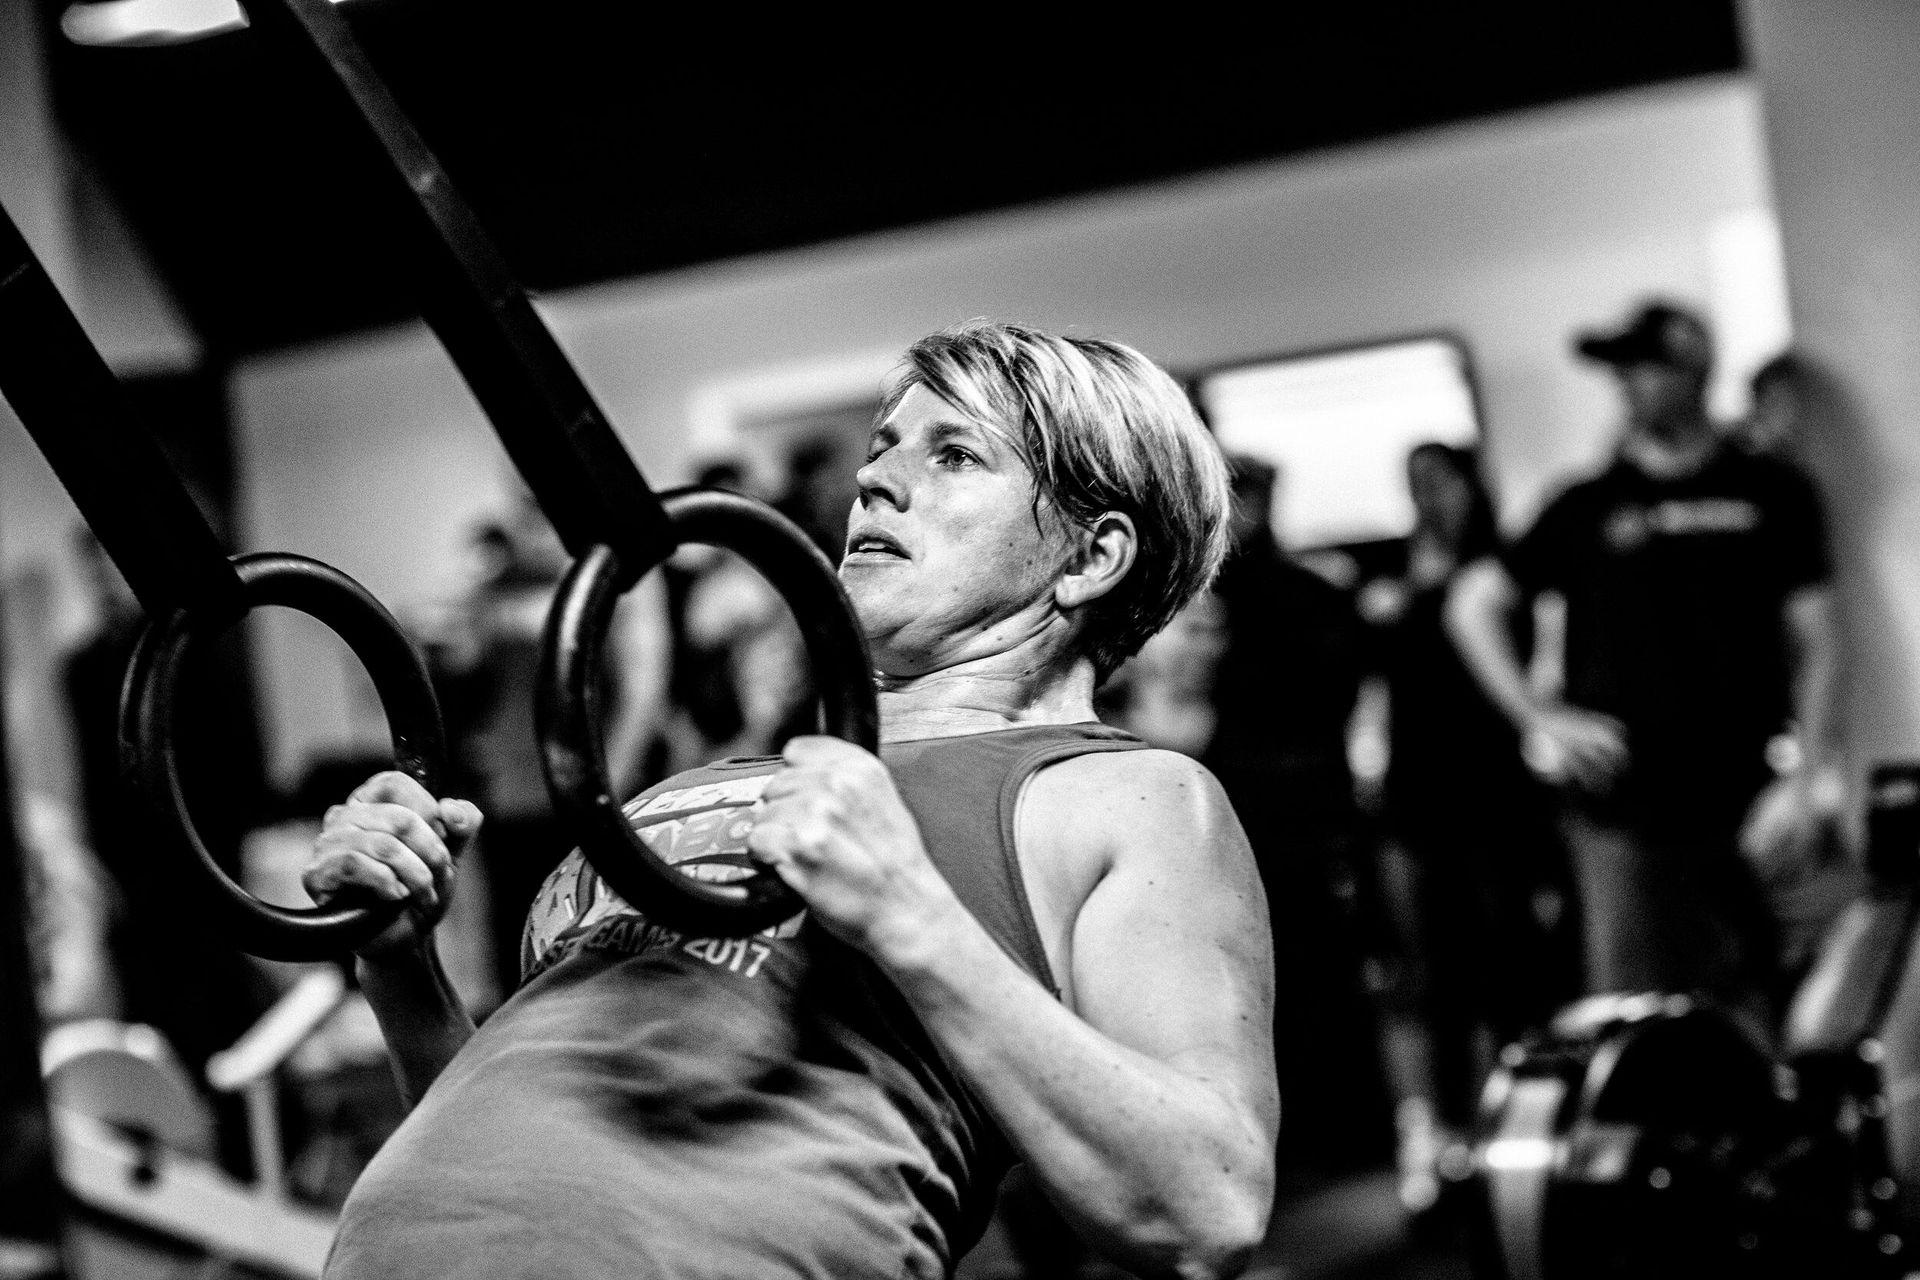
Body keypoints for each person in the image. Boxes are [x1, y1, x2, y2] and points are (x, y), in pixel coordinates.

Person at [301, 320, 1278, 1280]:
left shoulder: (1125, 796)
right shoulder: (697, 787)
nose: (875, 480)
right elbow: (528, 1131)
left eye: (954, 455)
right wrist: (400, 964)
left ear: (1088, 556)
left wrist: (909, 910)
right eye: (885, 447)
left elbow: (1208, 1203)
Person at [1447, 300, 1842, 1035]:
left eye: (1644, 367)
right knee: (1639, 1021)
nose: (1627, 385)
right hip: (1624, 805)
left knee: (1795, 1005)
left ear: (1693, 369)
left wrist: (1806, 775)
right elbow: (1473, 603)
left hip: (1750, 791)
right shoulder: (1587, 503)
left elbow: (1819, 641)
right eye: (1618, 372)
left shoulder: (1772, 491)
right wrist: (1540, 718)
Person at [1356, 443, 1574, 1215]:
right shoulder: (1387, 575)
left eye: (1440, 481)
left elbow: (1543, 665)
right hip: (1418, 799)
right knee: (1431, 973)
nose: (1430, 497)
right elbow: (1375, 690)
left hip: (1497, 792)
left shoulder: (1501, 568)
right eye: (1415, 484)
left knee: (1509, 962)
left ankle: (1518, 1130)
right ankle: (1444, 1140)